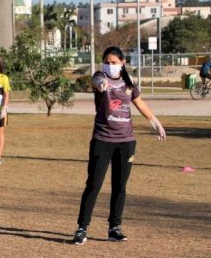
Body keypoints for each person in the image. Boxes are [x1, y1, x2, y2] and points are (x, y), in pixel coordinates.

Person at [70, 46, 166, 245]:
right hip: (103, 140)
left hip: (126, 141)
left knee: (120, 186)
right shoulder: (100, 76)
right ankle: (82, 228)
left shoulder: (129, 83)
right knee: (94, 184)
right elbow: (96, 81)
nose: (110, 65)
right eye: (107, 62)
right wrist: (101, 83)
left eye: (114, 62)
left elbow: (140, 104)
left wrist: (155, 122)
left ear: (122, 62)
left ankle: (114, 227)